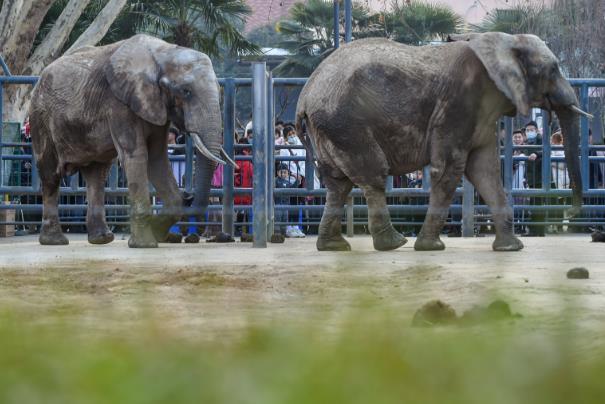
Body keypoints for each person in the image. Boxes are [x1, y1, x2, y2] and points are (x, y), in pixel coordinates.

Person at [522, 120, 545, 236]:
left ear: (536, 130)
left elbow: (546, 149)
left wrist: (536, 153)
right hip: (531, 178)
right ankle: (535, 230)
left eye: (532, 130)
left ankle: (539, 230)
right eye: (527, 130)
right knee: (534, 203)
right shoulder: (527, 143)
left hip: (540, 177)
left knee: (538, 203)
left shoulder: (540, 139)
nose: (529, 132)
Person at [274, 163, 302, 237]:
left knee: (285, 220)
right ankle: (277, 234)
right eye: (281, 172)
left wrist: (297, 181)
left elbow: (293, 189)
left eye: (285, 172)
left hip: (286, 205)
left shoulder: (288, 182)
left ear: (287, 173)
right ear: (277, 172)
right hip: (277, 205)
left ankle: (283, 233)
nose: (283, 174)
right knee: (277, 220)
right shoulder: (275, 180)